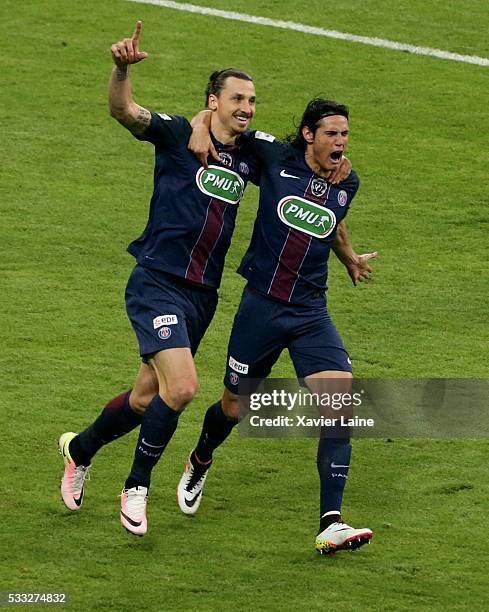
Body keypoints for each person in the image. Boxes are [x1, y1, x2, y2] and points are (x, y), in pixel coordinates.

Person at [58, 21, 263, 536]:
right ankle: (137, 486)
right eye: (236, 98)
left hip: (203, 295)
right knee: (186, 387)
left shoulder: (250, 154)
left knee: (148, 398)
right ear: (212, 100)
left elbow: (294, 166)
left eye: (253, 100)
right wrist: (121, 69)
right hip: (157, 281)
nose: (246, 107)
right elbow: (123, 111)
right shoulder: (175, 133)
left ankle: (79, 449)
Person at [178, 98, 377, 554]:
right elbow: (227, 125)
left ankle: (331, 522)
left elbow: (333, 221)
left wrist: (348, 258)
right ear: (308, 134)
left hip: (311, 312)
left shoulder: (349, 180)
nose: (340, 143)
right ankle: (201, 457)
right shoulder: (273, 156)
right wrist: (201, 121)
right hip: (261, 308)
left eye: (345, 135)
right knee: (233, 407)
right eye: (331, 134)